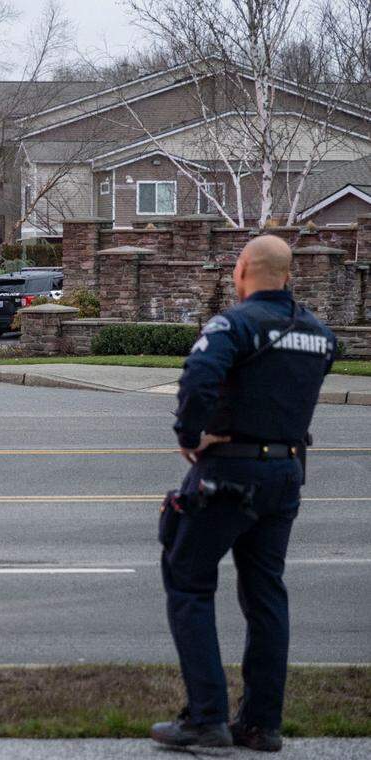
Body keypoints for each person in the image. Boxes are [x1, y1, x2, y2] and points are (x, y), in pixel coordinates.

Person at [152, 235, 335, 752]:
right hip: (286, 471)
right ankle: (260, 724)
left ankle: (206, 718)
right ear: (289, 275)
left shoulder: (233, 324)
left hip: (228, 474)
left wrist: (191, 435)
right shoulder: (319, 334)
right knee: (265, 594)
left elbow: (198, 378)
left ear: (242, 271)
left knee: (188, 581)